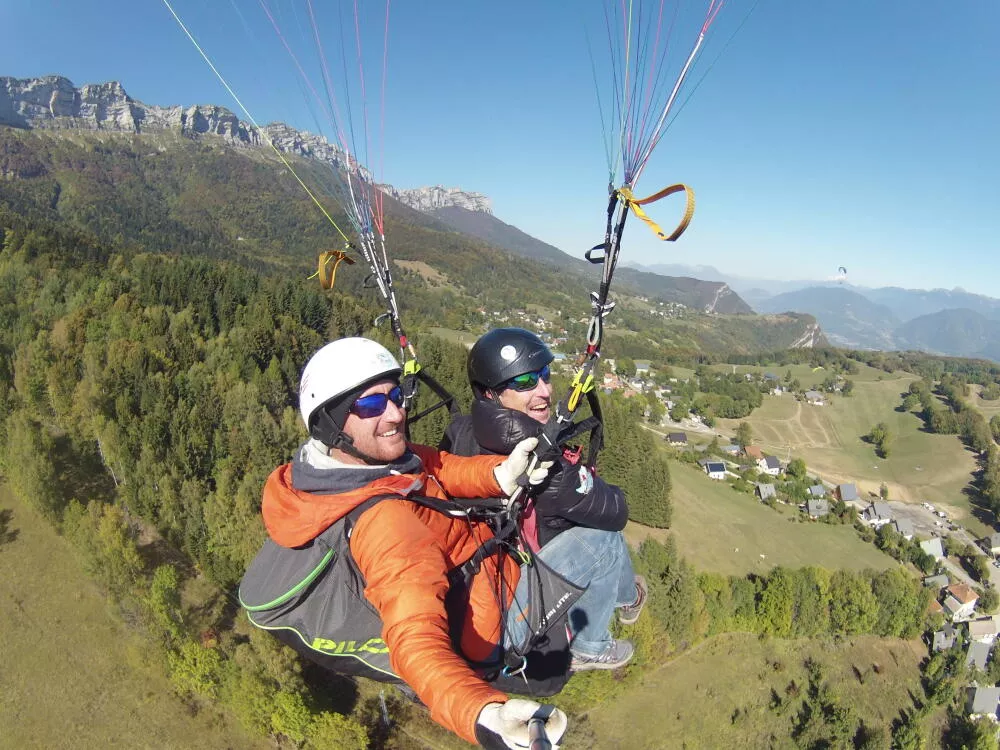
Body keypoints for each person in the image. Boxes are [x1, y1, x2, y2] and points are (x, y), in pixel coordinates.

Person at [239, 337, 568, 749]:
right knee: (591, 551)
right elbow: (415, 635)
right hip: (491, 619)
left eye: (396, 395)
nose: (396, 412)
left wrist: (499, 474)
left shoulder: (343, 468)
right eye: (372, 405)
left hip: (481, 571)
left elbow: (435, 466)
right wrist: (481, 712)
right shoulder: (384, 523)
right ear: (331, 424)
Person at [441, 327, 647, 671]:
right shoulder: (544, 466)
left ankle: (628, 598)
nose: (545, 390)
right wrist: (584, 480)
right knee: (605, 540)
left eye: (544, 376)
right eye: (524, 383)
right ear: (489, 394)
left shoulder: (460, 429)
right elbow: (616, 512)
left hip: (473, 595)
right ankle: (592, 645)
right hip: (501, 624)